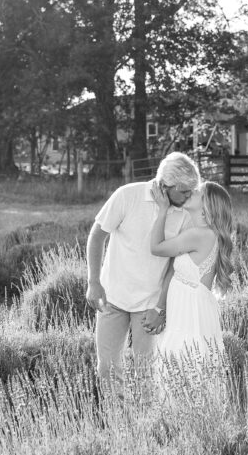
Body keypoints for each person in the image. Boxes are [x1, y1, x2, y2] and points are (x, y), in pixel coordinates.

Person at [86, 152, 201, 393]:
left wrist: (161, 307)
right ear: (164, 185)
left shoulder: (185, 214)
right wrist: (93, 282)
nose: (189, 196)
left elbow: (175, 264)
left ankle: (145, 426)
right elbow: (97, 236)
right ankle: (117, 422)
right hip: (112, 298)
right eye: (184, 191)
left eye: (192, 191)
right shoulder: (127, 195)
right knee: (107, 368)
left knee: (146, 373)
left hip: (149, 305)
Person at [143, 180, 233, 381]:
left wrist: (163, 209)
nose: (191, 192)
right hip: (190, 307)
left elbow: (156, 248)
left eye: (197, 192)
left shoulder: (199, 235)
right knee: (189, 366)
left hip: (189, 311)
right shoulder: (206, 234)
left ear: (206, 206)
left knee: (182, 365)